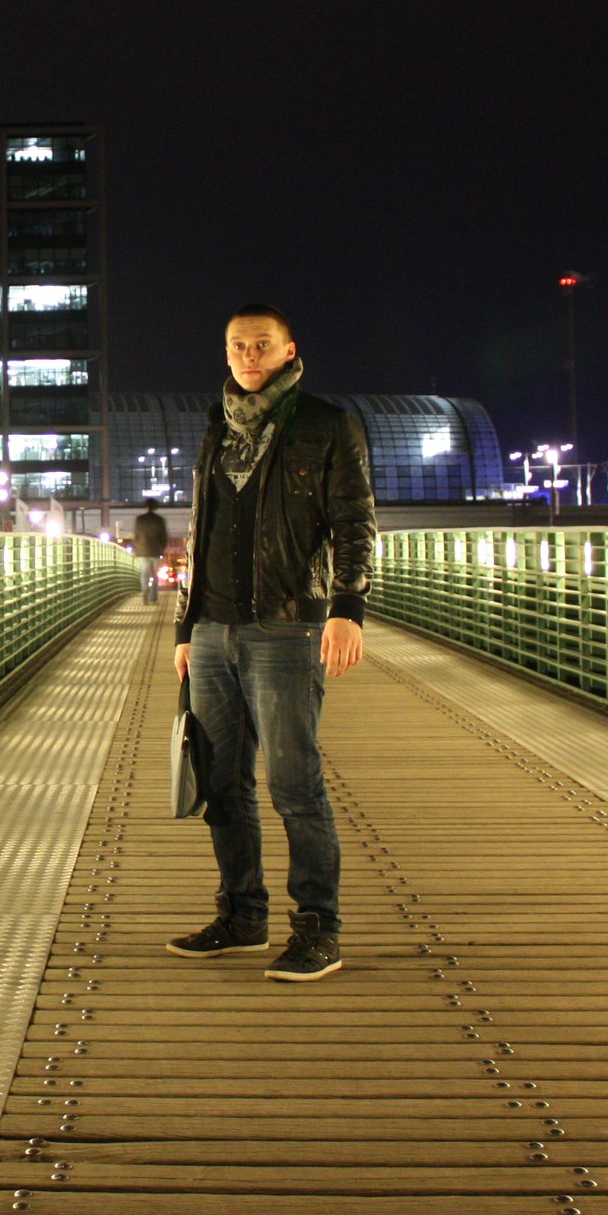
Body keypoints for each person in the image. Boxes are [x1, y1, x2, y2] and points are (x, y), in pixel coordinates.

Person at [168, 302, 374, 982]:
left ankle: (318, 928)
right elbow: (199, 529)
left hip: (287, 625)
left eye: (261, 344)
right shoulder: (216, 425)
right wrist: (185, 626)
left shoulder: (326, 424)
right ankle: (242, 916)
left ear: (289, 351)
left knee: (294, 783)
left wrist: (347, 608)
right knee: (222, 784)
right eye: (237, 345)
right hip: (213, 629)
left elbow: (354, 521)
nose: (248, 356)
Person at [131, 499, 169, 603]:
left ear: (145, 506)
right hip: (156, 551)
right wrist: (162, 548)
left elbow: (136, 536)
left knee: (144, 574)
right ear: (155, 507)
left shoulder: (139, 519)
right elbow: (164, 537)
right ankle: (153, 598)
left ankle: (145, 592)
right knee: (155, 575)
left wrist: (137, 547)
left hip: (142, 552)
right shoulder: (160, 520)